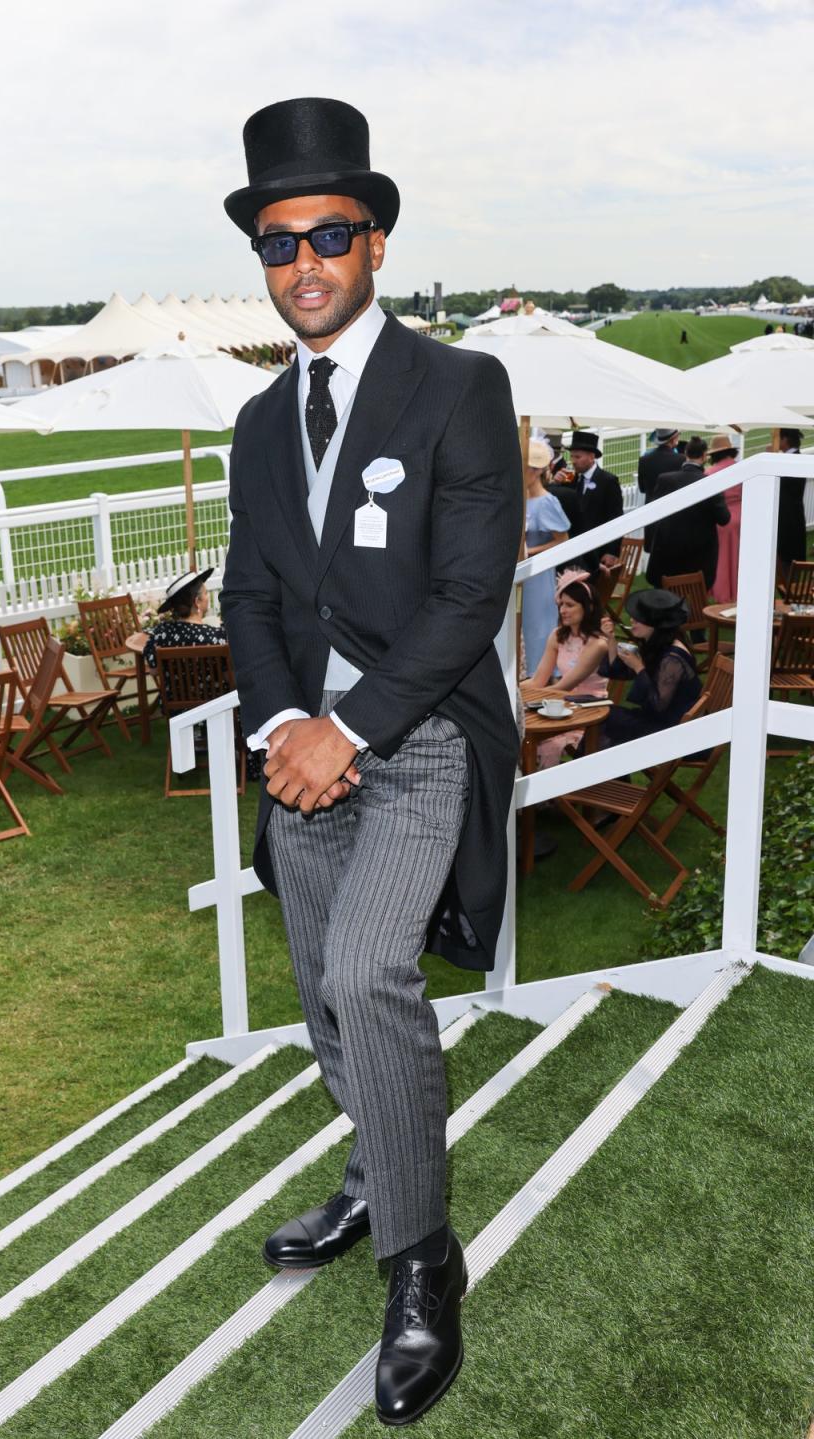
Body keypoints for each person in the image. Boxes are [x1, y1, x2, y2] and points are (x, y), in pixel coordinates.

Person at [219, 97, 522, 1427]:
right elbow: (251, 598)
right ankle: (375, 1161)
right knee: (319, 990)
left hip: (420, 735)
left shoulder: (460, 385)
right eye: (280, 243)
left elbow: (472, 590)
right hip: (303, 752)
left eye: (329, 233)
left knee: (366, 968)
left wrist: (350, 728)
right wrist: (283, 724)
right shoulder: (253, 423)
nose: (305, 264)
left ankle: (421, 1254)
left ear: (376, 242)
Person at [523, 570, 608, 767]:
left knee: (544, 742)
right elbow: (538, 680)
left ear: (588, 607)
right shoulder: (557, 635)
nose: (563, 610)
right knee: (518, 732)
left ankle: (548, 795)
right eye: (560, 605)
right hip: (558, 704)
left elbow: (564, 686)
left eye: (570, 605)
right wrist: (512, 691)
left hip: (588, 710)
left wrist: (524, 699)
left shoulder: (597, 644)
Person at [598, 589, 701, 746]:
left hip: (676, 732)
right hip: (659, 721)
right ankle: (599, 767)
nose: (632, 620)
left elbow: (658, 704)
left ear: (655, 625)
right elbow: (617, 672)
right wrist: (610, 639)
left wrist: (639, 667)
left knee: (606, 721)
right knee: (603, 719)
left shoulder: (673, 658)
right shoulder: (656, 644)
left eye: (638, 619)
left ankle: (589, 766)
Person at [646, 435, 730, 590]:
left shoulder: (665, 480)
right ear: (704, 456)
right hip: (699, 561)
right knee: (694, 604)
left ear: (686, 454)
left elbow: (652, 514)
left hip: (668, 556)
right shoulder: (711, 483)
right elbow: (724, 518)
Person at [522, 439, 570, 676]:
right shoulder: (522, 499)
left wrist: (529, 552)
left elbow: (563, 540)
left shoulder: (546, 502)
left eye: (529, 467)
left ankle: (540, 675)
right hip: (520, 576)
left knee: (538, 627)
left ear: (539, 470)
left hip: (538, 575)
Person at [142, 568, 226, 668]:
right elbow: (229, 676)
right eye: (206, 593)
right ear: (197, 602)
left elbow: (154, 670)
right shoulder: (215, 636)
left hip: (173, 684)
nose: (208, 597)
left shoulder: (161, 633)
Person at [566, 431, 622, 576]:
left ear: (591, 457)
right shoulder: (571, 481)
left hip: (598, 550)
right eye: (572, 456)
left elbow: (616, 517)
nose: (573, 461)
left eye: (578, 456)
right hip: (574, 550)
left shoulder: (608, 481)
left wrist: (612, 551)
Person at [707, 434, 742, 603]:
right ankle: (740, 592)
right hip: (743, 518)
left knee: (722, 559)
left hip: (721, 521)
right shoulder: (742, 468)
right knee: (740, 558)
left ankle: (723, 595)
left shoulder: (709, 473)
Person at [637, 428, 680, 551]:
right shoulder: (680, 459)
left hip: (652, 512)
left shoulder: (644, 460)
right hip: (673, 513)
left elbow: (642, 488)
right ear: (673, 439)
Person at [776, 427, 808, 572]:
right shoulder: (790, 458)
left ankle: (790, 586)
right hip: (788, 517)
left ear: (785, 440)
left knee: (789, 559)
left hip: (790, 518)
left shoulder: (793, 459)